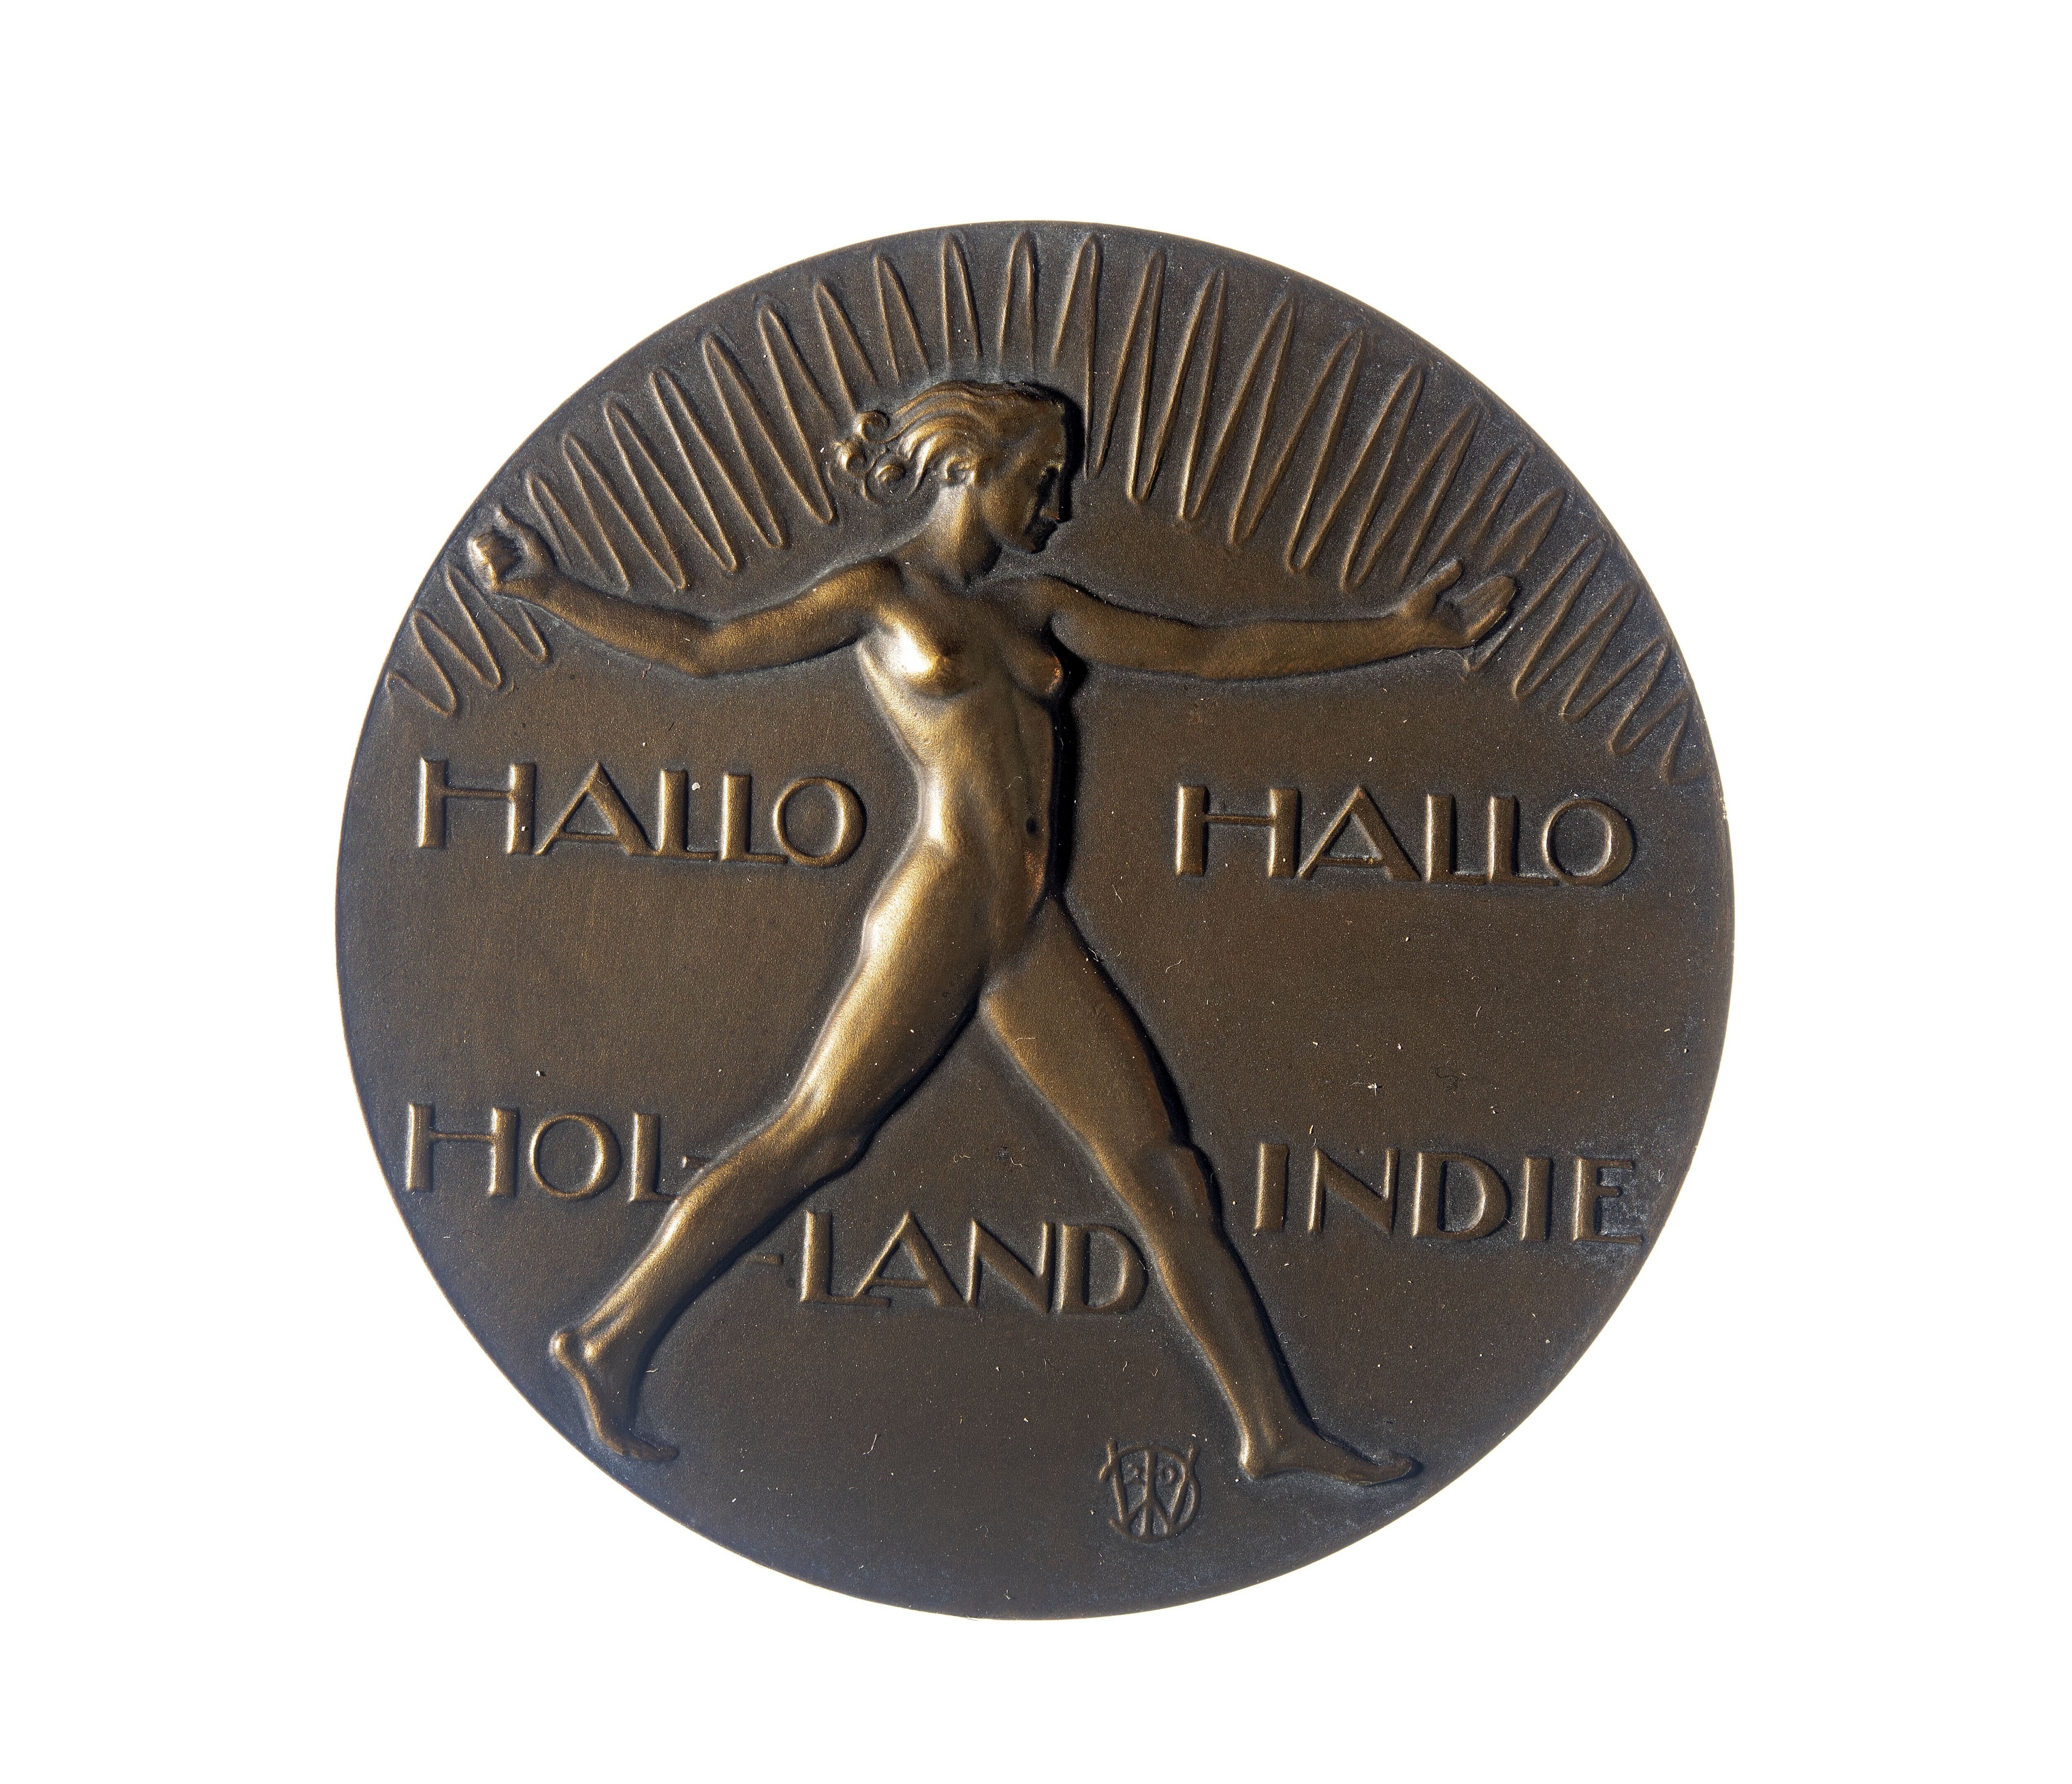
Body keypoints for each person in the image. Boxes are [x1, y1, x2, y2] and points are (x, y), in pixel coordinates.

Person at [469, 379, 1514, 1480]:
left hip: (1025, 924)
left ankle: (1271, 1430)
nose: (1059, 503)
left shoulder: (1040, 605)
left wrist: (1401, 633)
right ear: (972, 467)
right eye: (1042, 479)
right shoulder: (878, 595)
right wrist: (547, 590)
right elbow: (705, 648)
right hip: (944, 903)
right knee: (818, 1135)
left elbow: (1212, 653)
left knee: (1160, 1169)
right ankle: (611, 1334)